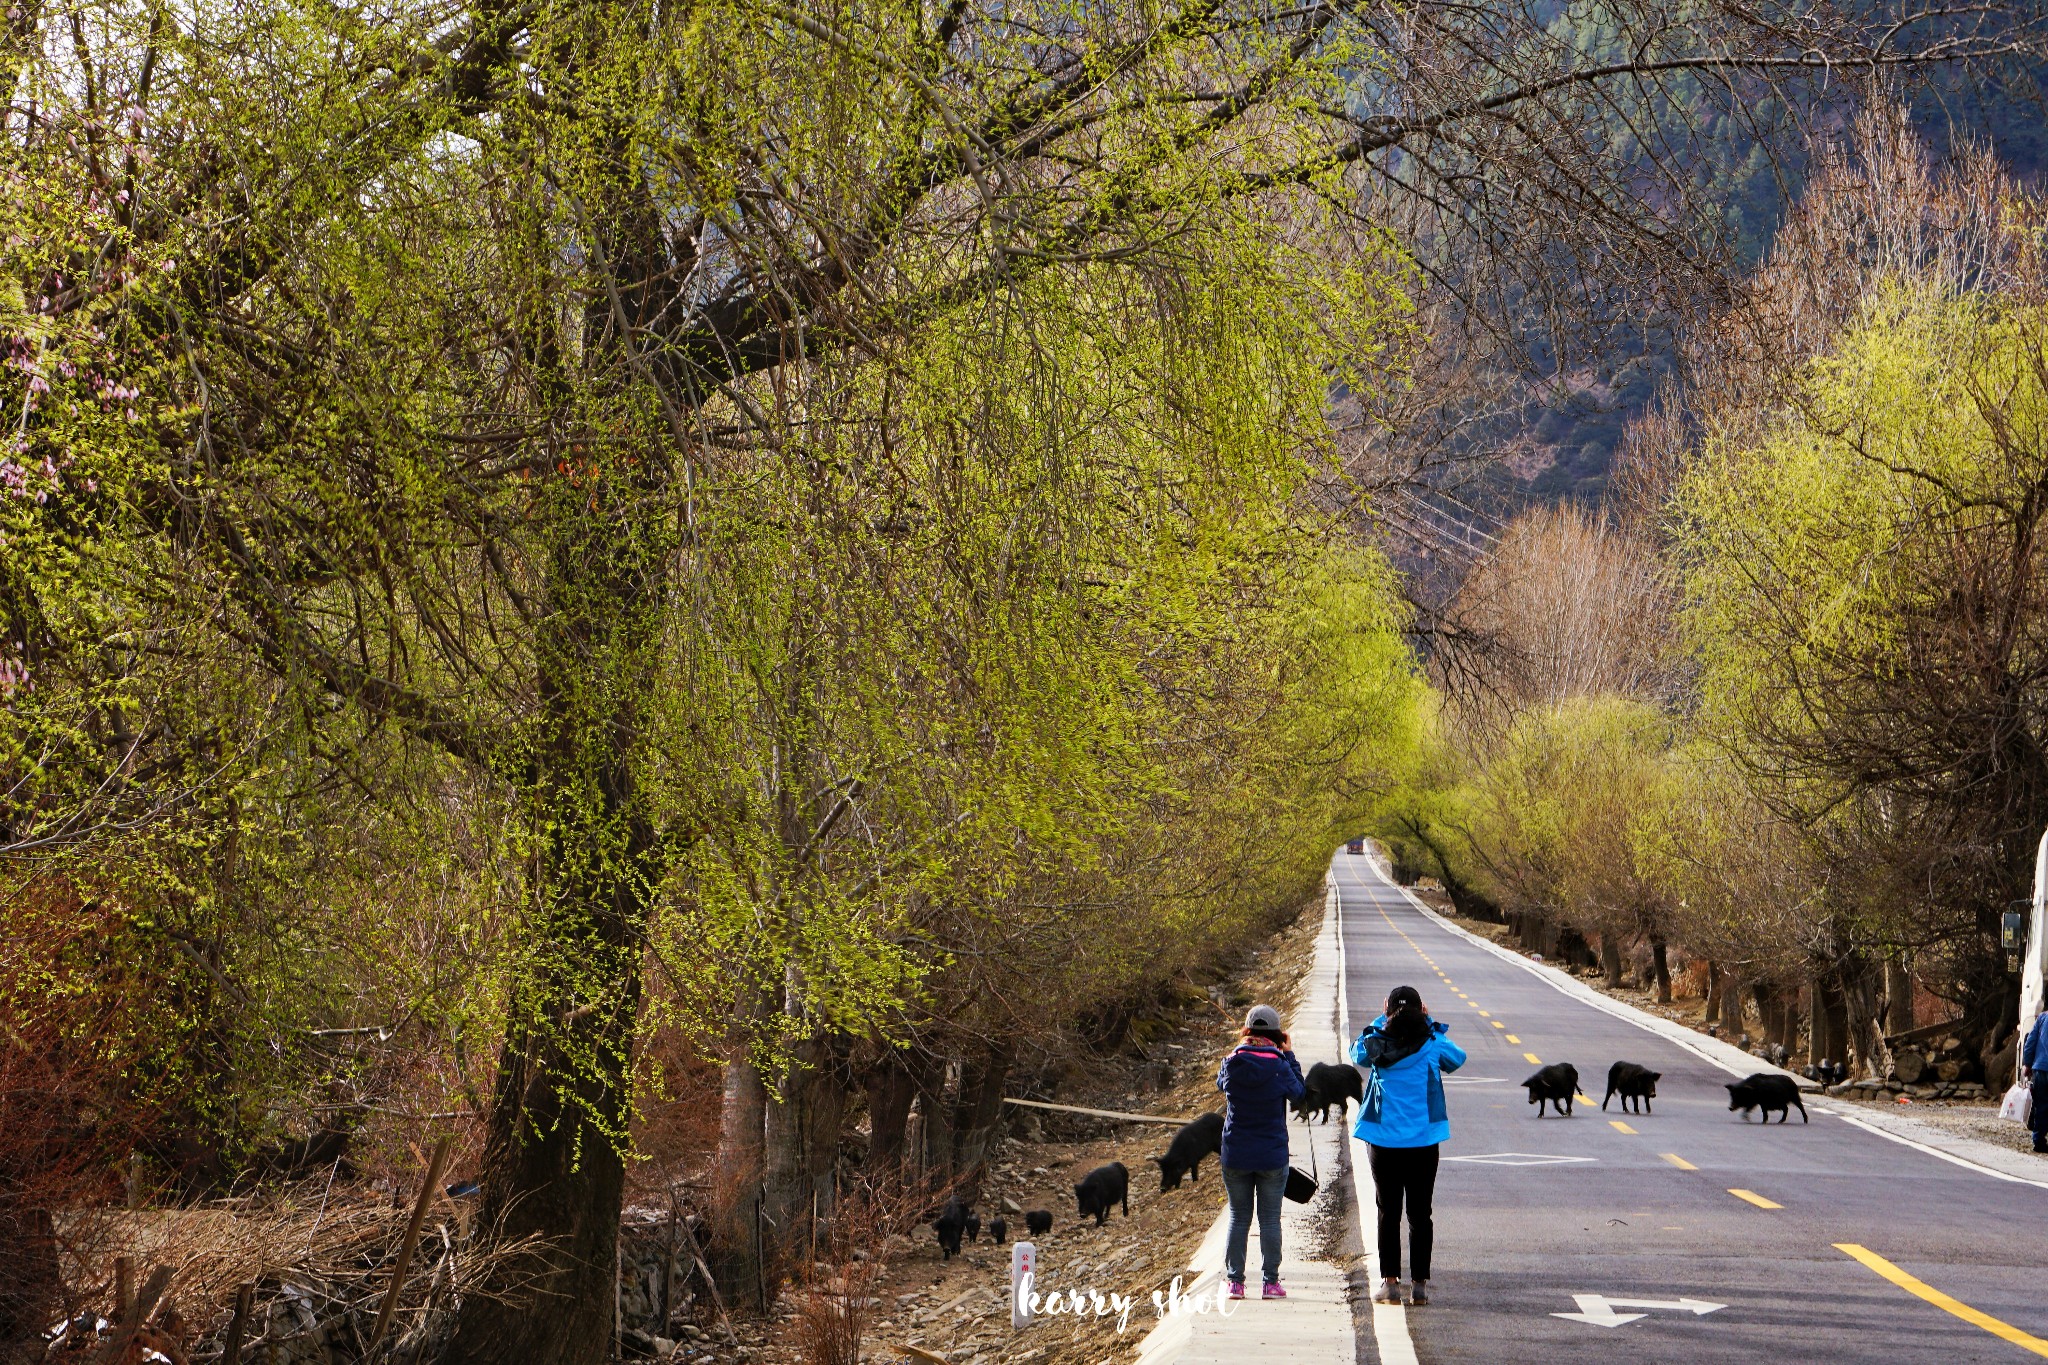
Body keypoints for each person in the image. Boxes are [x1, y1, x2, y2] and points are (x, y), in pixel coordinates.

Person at [1353, 984, 1466, 1307]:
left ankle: (1389, 1284)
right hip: (1423, 1141)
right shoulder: (1432, 1044)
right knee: (1420, 1213)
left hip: (1383, 1140)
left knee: (1388, 1211)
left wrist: (1385, 1017)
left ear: (1387, 1008)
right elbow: (1457, 1058)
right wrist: (1427, 1024)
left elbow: (1355, 1052)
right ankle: (1419, 1285)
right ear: (1421, 1010)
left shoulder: (1375, 1043)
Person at [1215, 1003, 1306, 1300]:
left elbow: (1221, 1084)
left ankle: (1235, 1283)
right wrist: (1289, 1055)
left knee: (1239, 1218)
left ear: (1247, 1031)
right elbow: (1299, 1094)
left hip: (1236, 1153)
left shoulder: (1231, 1062)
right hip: (1271, 1154)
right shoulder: (1280, 1065)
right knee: (1269, 1219)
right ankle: (1270, 1283)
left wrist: (1240, 1050)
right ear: (1278, 1035)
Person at [2022, 1009, 2048, 1153]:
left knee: (2041, 1106)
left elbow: (2030, 1042)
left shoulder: (2042, 1018)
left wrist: (2027, 1064)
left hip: (2041, 1068)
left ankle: (2038, 1140)